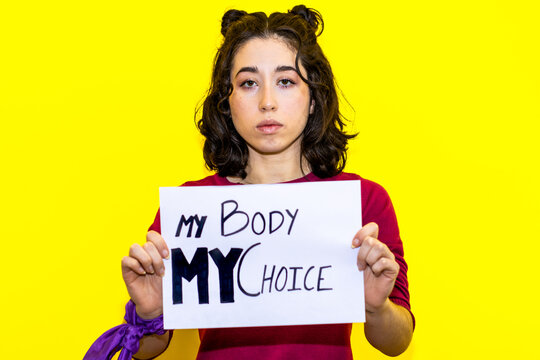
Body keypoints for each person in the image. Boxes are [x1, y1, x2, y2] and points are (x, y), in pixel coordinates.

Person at [121, 5, 414, 359]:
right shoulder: (192, 208)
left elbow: (397, 342)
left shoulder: (363, 201)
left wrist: (375, 307)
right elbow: (146, 350)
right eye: (248, 83)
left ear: (312, 98)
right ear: (226, 102)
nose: (267, 102)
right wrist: (150, 315)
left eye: (286, 81)